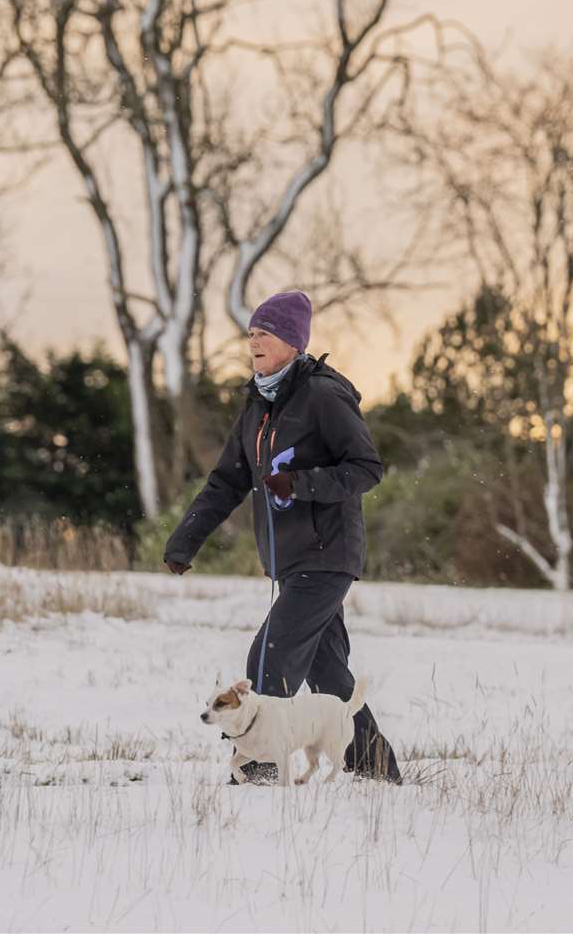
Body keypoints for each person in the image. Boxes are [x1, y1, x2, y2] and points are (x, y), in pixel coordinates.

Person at [163, 289, 401, 784]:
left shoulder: (323, 395)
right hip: (290, 561)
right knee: (331, 677)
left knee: (268, 655)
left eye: (264, 334)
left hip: (327, 553)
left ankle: (260, 771)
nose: (253, 342)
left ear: (292, 342)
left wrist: (302, 483)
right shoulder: (257, 407)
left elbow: (366, 468)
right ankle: (378, 771)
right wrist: (186, 540)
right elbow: (226, 481)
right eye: (250, 333)